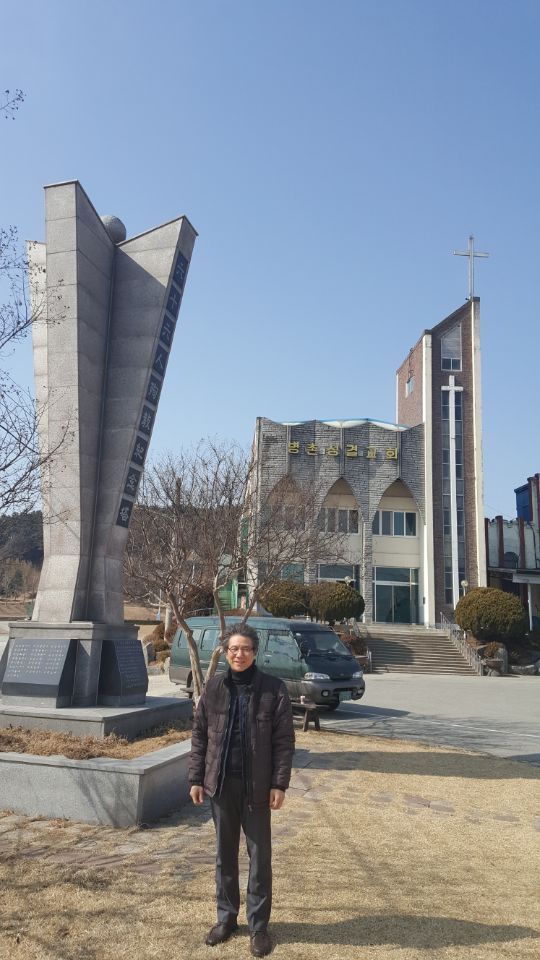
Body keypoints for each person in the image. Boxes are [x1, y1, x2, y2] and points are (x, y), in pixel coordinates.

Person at [189, 622, 295, 957]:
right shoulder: (214, 687)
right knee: (225, 856)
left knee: (259, 858)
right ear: (225, 652)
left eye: (246, 649)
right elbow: (200, 735)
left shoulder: (273, 690)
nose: (239, 654)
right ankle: (226, 919)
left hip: (257, 790)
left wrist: (278, 784)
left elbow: (284, 742)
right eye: (234, 648)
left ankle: (258, 927)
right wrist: (196, 779)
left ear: (255, 652)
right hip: (220, 786)